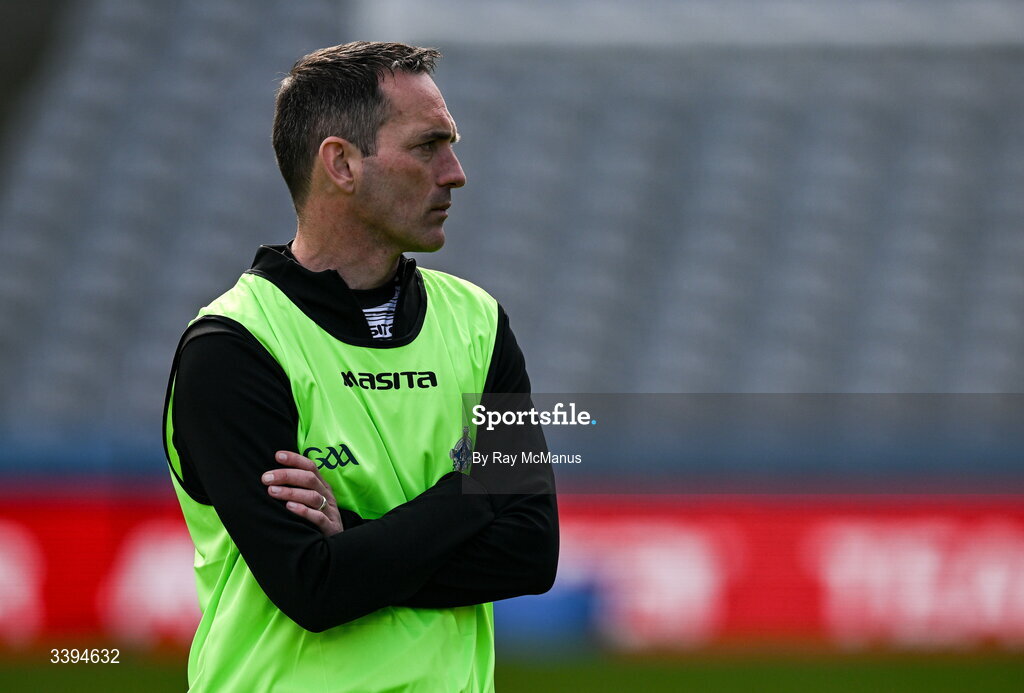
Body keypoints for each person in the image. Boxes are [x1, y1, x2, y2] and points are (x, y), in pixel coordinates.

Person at [162, 42, 558, 693]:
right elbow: (313, 586)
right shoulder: (233, 346)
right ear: (341, 164)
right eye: (428, 145)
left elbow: (532, 552)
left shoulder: (481, 324)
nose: (455, 172)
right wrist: (473, 489)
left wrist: (356, 540)